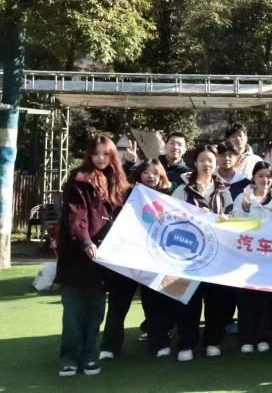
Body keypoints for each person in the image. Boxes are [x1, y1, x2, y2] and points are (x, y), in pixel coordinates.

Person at [56, 136, 129, 377]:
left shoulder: (119, 181)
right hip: (77, 258)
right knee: (74, 310)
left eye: (105, 154)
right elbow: (76, 216)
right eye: (96, 153)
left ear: (112, 156)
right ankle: (69, 356)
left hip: (104, 260)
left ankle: (89, 354)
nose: (100, 158)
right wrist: (85, 241)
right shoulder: (78, 180)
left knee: (96, 311)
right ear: (89, 155)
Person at [171, 145, 234, 361]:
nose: (207, 164)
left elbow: (232, 218)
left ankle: (212, 341)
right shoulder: (183, 190)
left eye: (210, 160)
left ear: (216, 164)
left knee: (215, 300)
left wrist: (224, 220)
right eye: (202, 160)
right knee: (189, 299)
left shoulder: (223, 191)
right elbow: (172, 217)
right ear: (195, 163)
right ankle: (186, 343)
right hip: (188, 254)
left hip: (216, 254)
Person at [125, 160, 181, 359]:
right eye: (146, 173)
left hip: (169, 258)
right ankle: (158, 343)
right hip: (144, 258)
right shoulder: (131, 196)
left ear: (161, 176)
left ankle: (168, 332)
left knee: (171, 298)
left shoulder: (171, 197)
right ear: (139, 175)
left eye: (155, 173)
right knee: (151, 301)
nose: (151, 176)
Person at [231, 161, 272, 354]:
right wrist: (245, 209)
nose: (265, 180)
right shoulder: (242, 197)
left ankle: (263, 337)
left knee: (266, 299)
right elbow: (234, 224)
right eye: (261, 176)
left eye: (268, 176)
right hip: (246, 257)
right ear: (253, 177)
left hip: (271, 258)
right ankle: (246, 338)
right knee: (246, 298)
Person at [123, 131, 190, 193]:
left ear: (185, 150)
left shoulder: (186, 174)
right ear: (165, 145)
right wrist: (130, 163)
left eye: (180, 145)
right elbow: (131, 179)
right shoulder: (151, 163)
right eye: (172, 143)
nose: (175, 147)